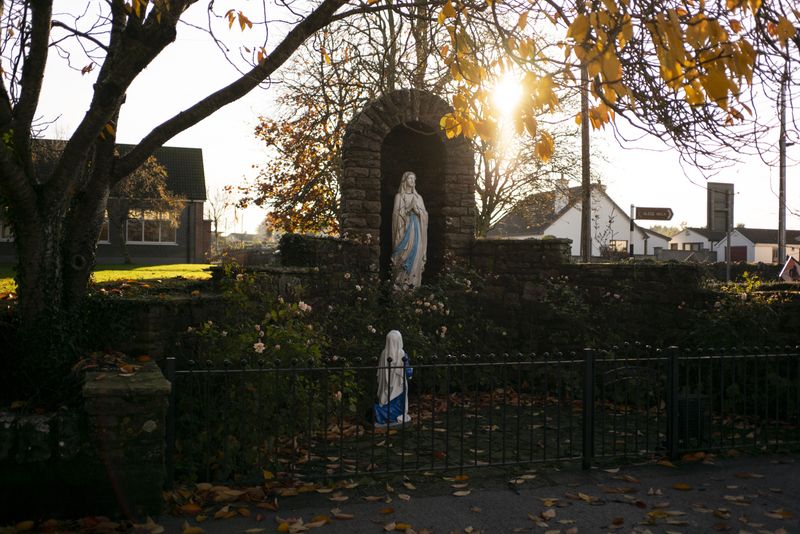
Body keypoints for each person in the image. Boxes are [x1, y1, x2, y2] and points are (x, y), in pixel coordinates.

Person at [392, 171, 428, 289]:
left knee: (416, 254)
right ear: (405, 181)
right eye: (410, 179)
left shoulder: (419, 198)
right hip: (403, 231)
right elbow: (396, 216)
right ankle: (400, 285)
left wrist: (417, 211)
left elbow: (425, 216)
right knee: (402, 255)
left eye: (414, 179)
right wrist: (408, 209)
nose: (413, 181)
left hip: (416, 230)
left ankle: (413, 286)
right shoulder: (399, 197)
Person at [374, 330, 413, 425]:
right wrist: (410, 372)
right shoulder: (401, 353)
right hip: (398, 387)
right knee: (398, 405)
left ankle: (380, 412)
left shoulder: (384, 353)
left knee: (387, 402)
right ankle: (381, 413)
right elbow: (407, 371)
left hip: (385, 387)